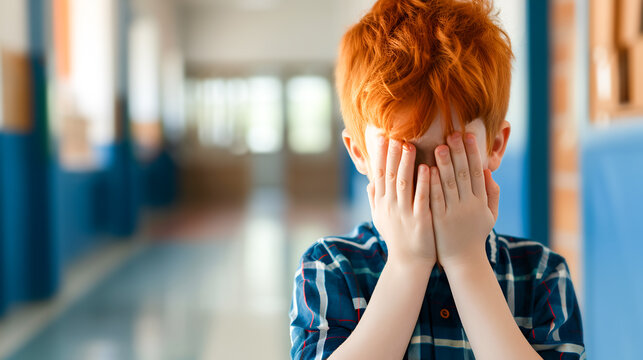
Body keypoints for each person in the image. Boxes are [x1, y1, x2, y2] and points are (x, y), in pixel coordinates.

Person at [289, 0, 585, 359]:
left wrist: (466, 261)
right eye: (405, 157)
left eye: (450, 156)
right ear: (359, 153)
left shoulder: (541, 275)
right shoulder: (329, 267)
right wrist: (407, 263)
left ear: (494, 146)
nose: (428, 183)